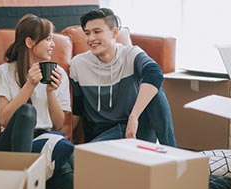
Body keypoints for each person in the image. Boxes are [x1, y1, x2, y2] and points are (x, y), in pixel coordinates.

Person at [0, 14, 73, 189]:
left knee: (73, 176)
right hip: (11, 146)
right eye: (48, 39)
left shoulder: (58, 74)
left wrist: (51, 92)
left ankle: (36, 175)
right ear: (29, 42)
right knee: (27, 112)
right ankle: (25, 183)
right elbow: (3, 119)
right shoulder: (3, 72)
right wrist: (30, 85)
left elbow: (59, 125)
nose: (53, 44)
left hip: (45, 142)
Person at [70, 8, 177, 146]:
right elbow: (77, 109)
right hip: (103, 134)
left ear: (114, 32)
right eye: (87, 33)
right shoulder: (78, 64)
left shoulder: (130, 54)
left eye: (97, 32)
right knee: (76, 160)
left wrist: (134, 117)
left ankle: (173, 154)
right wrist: (63, 136)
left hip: (134, 129)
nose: (91, 39)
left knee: (155, 93)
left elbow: (155, 73)